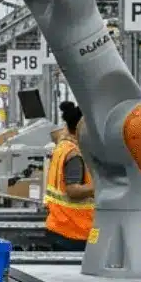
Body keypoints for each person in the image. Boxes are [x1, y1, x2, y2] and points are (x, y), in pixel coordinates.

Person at [43, 101, 95, 249]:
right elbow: (73, 190)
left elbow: (56, 134)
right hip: (74, 230)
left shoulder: (62, 147)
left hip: (59, 224)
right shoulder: (74, 155)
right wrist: (98, 187)